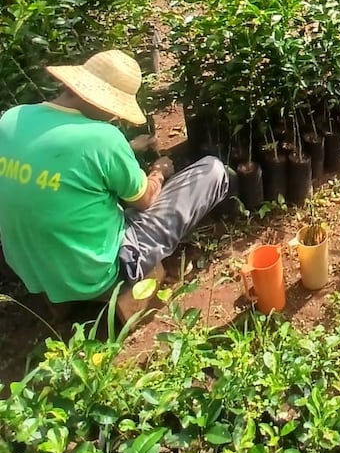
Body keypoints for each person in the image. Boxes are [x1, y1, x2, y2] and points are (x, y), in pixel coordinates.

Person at [0, 50, 231, 316]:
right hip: (96, 274)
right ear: (101, 101)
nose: (115, 117)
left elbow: (61, 166)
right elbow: (145, 200)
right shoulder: (103, 138)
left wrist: (128, 148)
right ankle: (128, 275)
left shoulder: (11, 119)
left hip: (32, 269)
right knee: (212, 171)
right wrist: (159, 171)